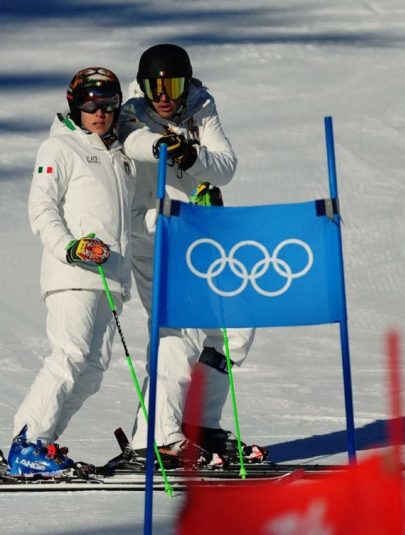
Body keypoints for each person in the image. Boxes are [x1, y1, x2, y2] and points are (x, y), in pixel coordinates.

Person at [117, 44, 265, 466]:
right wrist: (165, 145)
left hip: (198, 235)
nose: (164, 96)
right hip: (153, 233)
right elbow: (132, 141)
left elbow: (226, 166)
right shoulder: (132, 109)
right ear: (143, 87)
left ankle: (200, 423)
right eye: (155, 87)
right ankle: (155, 437)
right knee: (176, 332)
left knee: (237, 325)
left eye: (174, 85)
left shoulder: (201, 105)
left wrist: (193, 154)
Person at [4, 66, 134, 477]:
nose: (100, 113)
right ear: (75, 105)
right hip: (73, 272)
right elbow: (41, 208)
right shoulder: (59, 147)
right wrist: (70, 247)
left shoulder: (119, 153)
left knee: (92, 371)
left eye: (108, 104)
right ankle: (26, 443)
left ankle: (42, 446)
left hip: (111, 278)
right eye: (90, 104)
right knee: (70, 356)